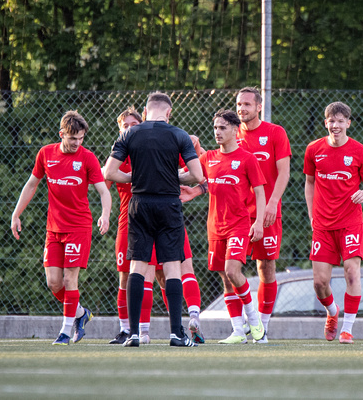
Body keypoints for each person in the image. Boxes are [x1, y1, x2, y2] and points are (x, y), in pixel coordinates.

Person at [104, 92, 203, 347]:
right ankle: (175, 334)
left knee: (137, 267)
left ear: (145, 112)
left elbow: (110, 172)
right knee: (172, 267)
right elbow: (197, 175)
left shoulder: (129, 134)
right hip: (168, 205)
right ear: (168, 112)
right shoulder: (178, 134)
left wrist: (135, 179)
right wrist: (173, 178)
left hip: (139, 205)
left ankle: (134, 334)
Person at [11, 110, 111, 346]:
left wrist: (105, 215)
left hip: (79, 226)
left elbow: (104, 191)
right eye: (73, 138)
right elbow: (31, 184)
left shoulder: (87, 158)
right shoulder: (46, 153)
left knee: (69, 279)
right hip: (53, 229)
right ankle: (80, 314)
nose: (77, 143)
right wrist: (16, 214)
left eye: (81, 139)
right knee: (53, 283)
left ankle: (65, 332)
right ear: (62, 134)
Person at [181, 109, 267, 344]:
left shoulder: (247, 158)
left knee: (232, 270)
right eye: (215, 128)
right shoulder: (208, 158)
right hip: (215, 227)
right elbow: (188, 175)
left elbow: (260, 192)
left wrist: (258, 222)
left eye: (222, 128)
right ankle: (238, 331)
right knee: (225, 278)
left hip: (239, 225)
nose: (217, 132)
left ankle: (255, 321)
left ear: (234, 130)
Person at [303, 101, 363, 344]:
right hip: (322, 225)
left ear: (348, 123)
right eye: (331, 121)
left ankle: (347, 329)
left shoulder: (359, 151)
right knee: (319, 283)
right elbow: (310, 183)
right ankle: (332, 313)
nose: (335, 125)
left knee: (352, 273)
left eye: (340, 121)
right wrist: (312, 216)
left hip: (350, 223)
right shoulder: (314, 149)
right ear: (326, 123)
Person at [235, 87, 291, 343]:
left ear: (259, 107)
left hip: (267, 213)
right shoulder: (231, 133)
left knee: (266, 268)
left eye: (247, 104)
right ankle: (240, 326)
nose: (242, 108)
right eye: (239, 104)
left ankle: (262, 328)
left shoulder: (275, 133)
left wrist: (272, 203)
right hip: (237, 215)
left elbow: (284, 173)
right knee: (231, 269)